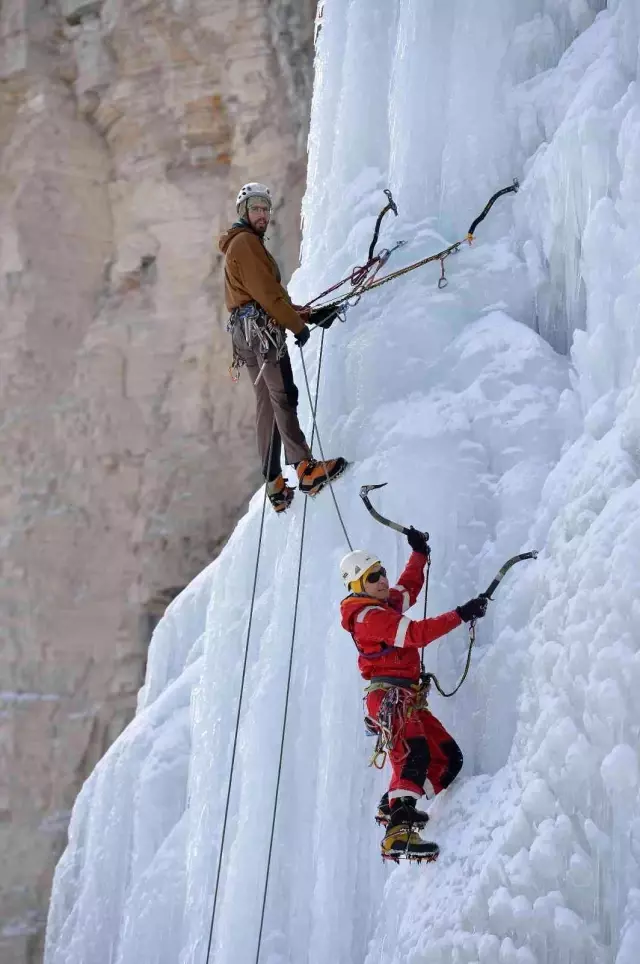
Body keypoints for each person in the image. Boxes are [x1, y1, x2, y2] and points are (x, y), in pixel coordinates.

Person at [339, 529, 488, 859]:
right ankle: (399, 830)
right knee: (416, 755)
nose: (382, 580)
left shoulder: (382, 603)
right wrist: (461, 615)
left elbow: (407, 589)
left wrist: (419, 554)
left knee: (448, 760)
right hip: (390, 698)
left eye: (381, 573)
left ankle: (392, 803)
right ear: (357, 584)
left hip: (405, 698)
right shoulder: (368, 618)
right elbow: (416, 635)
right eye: (372, 577)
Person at [219, 182, 347, 512]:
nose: (262, 214)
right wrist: (298, 326)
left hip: (247, 332)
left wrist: (311, 314)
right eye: (256, 208)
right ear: (244, 213)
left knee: (267, 403)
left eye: (265, 209)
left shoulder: (241, 245)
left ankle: (274, 482)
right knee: (283, 395)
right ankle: (304, 468)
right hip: (261, 333)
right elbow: (267, 295)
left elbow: (268, 298)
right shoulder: (246, 243)